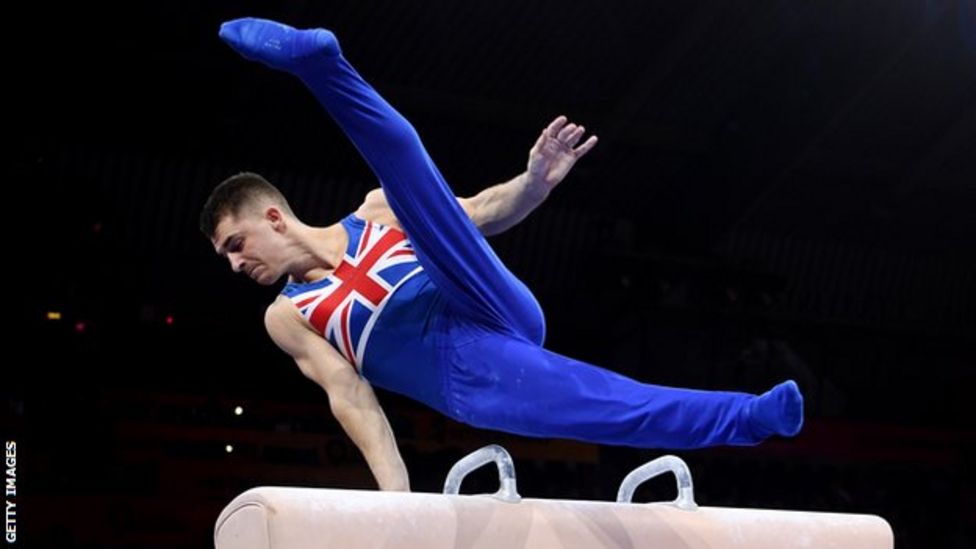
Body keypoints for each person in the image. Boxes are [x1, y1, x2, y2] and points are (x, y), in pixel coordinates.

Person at [201, 17, 804, 491]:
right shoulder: (290, 315)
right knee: (611, 401)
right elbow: (352, 398)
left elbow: (483, 213)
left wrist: (535, 182)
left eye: (235, 244)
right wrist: (398, 500)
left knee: (408, 183)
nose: (234, 264)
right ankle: (750, 418)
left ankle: (321, 66)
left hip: (482, 297)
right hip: (469, 369)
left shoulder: (374, 214)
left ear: (273, 217)